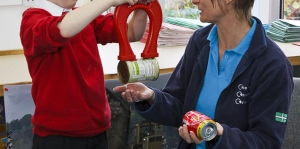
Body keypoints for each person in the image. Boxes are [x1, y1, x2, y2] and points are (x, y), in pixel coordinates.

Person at [113, 0, 294, 148]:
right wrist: (152, 97)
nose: (194, 1)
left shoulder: (273, 65)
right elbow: (180, 108)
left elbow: (266, 142)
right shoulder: (200, 42)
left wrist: (216, 135)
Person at [19, 0, 153, 148]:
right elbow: (62, 29)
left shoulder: (84, 19)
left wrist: (141, 7)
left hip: (97, 132)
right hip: (58, 137)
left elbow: (132, 32)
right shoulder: (32, 19)